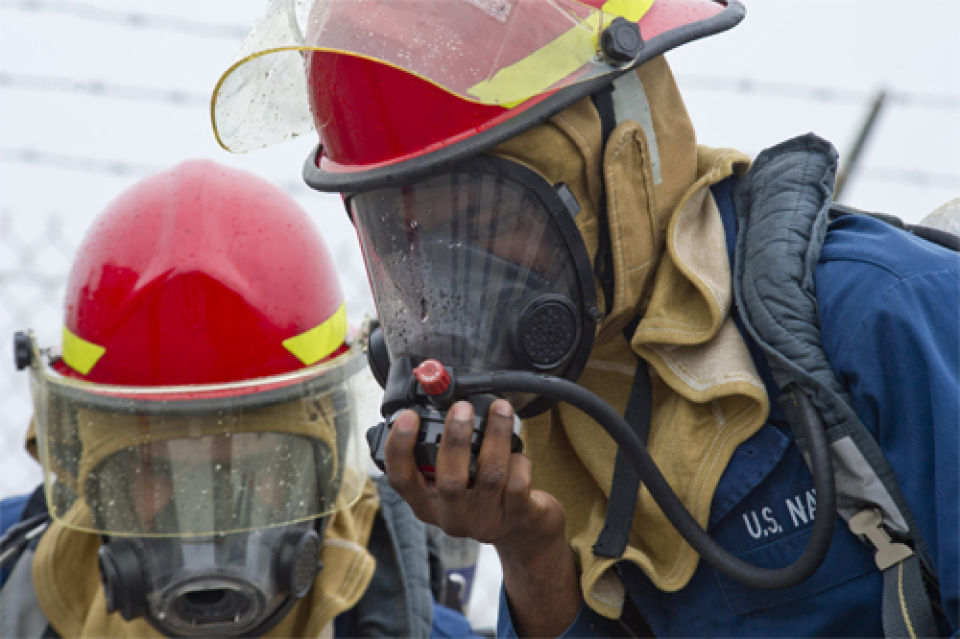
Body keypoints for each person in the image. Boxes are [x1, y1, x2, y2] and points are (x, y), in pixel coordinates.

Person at [209, 1, 959, 636]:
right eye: (416, 242)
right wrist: (531, 558)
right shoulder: (555, 421)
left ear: (624, 166)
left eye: (483, 217)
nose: (457, 284)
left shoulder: (878, 315)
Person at [0, 159, 481, 638]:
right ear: (89, 473)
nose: (207, 507)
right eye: (158, 467)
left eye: (257, 462)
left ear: (327, 468)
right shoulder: (12, 582)